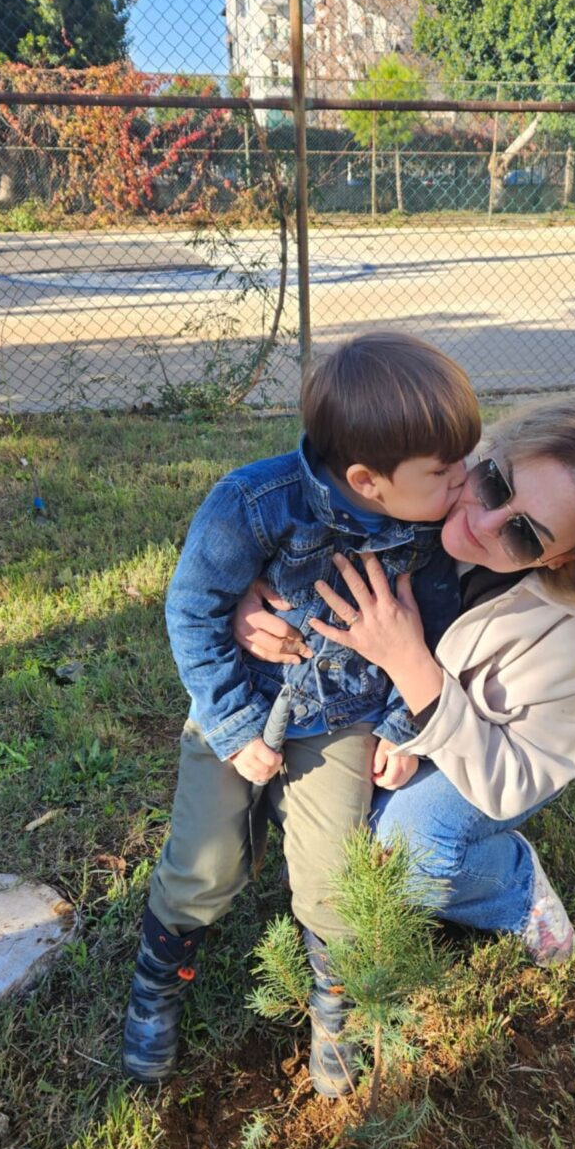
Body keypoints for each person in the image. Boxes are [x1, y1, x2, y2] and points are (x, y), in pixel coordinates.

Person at [126, 333, 479, 1096]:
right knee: (204, 866)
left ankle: (332, 1006)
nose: (464, 483)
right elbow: (193, 609)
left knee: (330, 885)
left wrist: (397, 728)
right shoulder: (254, 503)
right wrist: (231, 726)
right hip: (242, 705)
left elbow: (434, 632)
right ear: (367, 480)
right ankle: (158, 978)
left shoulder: (431, 531)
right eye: (444, 472)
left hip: (344, 720)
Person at [233, 388, 575, 973]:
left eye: (525, 535)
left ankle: (513, 887)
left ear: (565, 560)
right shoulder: (438, 467)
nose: (481, 521)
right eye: (495, 481)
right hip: (397, 716)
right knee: (319, 816)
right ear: (497, 449)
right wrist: (251, 591)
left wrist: (410, 666)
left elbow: (512, 780)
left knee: (401, 860)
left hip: (491, 758)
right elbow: (299, 507)